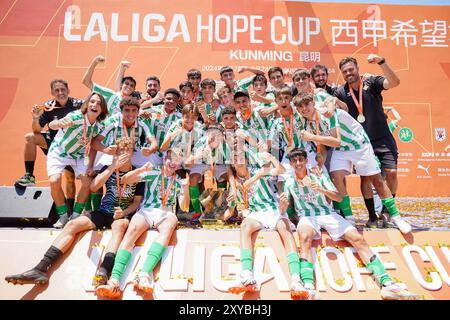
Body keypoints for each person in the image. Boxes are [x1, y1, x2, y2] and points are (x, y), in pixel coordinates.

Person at [281, 148, 419, 300]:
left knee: (358, 239)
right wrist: (283, 204)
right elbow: (285, 209)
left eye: (301, 160)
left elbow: (339, 198)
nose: (298, 163)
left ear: (307, 161)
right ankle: (308, 286)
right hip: (307, 216)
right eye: (294, 161)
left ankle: (387, 284)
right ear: (291, 164)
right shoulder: (289, 182)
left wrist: (322, 189)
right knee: (304, 236)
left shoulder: (319, 175)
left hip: (327, 213)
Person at [5, 137, 144, 285]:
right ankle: (40, 269)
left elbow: (136, 202)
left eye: (127, 151)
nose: (124, 154)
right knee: (72, 225)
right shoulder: (107, 169)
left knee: (119, 227)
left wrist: (123, 213)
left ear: (132, 153)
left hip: (122, 214)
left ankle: (104, 270)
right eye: (120, 151)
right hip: (103, 212)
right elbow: (94, 187)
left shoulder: (137, 174)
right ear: (115, 153)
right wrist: (111, 167)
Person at [294, 92, 412, 234]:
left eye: (307, 104)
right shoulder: (306, 123)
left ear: (313, 103)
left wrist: (312, 136)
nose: (304, 108)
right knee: (335, 177)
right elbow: (324, 147)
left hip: (358, 144)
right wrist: (320, 163)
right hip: (341, 149)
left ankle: (396, 217)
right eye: (300, 106)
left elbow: (335, 139)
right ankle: (349, 219)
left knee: (377, 180)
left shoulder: (326, 113)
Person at [95, 148, 190, 299]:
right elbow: (126, 179)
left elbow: (184, 207)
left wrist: (186, 189)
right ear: (165, 159)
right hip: (146, 210)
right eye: (171, 159)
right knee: (131, 232)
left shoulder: (178, 181)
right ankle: (114, 281)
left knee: (171, 224)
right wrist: (142, 169)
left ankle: (144, 274)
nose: (173, 163)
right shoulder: (153, 172)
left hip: (165, 213)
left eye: (177, 161)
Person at [227, 149, 306, 299]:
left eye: (241, 157)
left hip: (272, 208)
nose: (239, 160)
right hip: (256, 213)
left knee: (284, 228)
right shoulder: (235, 183)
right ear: (232, 163)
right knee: (245, 226)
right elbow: (231, 211)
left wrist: (263, 167)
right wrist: (228, 205)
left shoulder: (258, 170)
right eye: (235, 158)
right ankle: (247, 275)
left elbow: (281, 170)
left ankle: (296, 278)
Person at [334, 54, 401, 228]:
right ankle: (372, 216)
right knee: (366, 179)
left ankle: (387, 211)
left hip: (383, 138)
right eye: (345, 71)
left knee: (391, 172)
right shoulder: (341, 92)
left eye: (351, 69)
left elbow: (394, 83)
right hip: (361, 144)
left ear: (357, 69)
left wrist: (382, 61)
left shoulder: (372, 83)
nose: (348, 73)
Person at [14, 79, 84, 216]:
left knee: (69, 179)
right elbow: (36, 130)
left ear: (68, 90)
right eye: (57, 90)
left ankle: (70, 211)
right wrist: (35, 118)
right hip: (54, 145)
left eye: (63, 89)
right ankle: (29, 175)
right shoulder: (48, 107)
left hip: (71, 146)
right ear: (52, 92)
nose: (60, 92)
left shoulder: (78, 104)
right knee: (30, 137)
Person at [46, 92, 109, 228]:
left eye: (99, 103)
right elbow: (52, 125)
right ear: (87, 104)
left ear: (102, 109)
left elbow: (92, 146)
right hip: (59, 152)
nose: (95, 105)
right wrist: (57, 123)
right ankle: (63, 216)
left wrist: (91, 165)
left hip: (78, 155)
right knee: (54, 181)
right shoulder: (75, 116)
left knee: (87, 182)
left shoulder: (99, 126)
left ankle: (75, 216)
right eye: (92, 101)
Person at [90, 96, 158, 169]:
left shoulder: (142, 121)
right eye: (127, 110)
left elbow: (154, 143)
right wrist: (105, 149)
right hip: (116, 151)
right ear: (121, 111)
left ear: (138, 112)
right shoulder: (113, 121)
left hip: (135, 152)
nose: (131, 114)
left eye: (134, 110)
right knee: (98, 171)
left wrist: (150, 150)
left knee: (150, 170)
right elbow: (95, 142)